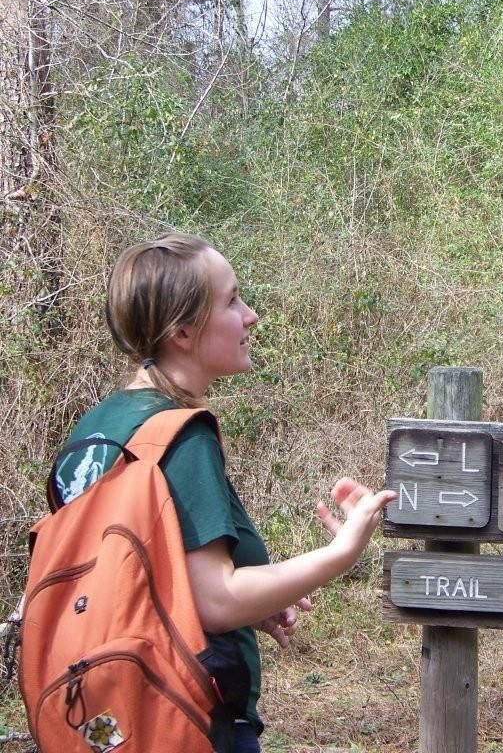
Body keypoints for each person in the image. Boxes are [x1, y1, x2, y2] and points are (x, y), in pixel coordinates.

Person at [51, 232, 397, 753]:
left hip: (102, 713)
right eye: (232, 300)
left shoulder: (96, 427)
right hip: (183, 721)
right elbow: (216, 600)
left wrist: (258, 603)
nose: (251, 315)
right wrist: (342, 551)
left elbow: (129, 583)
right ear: (184, 332)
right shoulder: (179, 435)